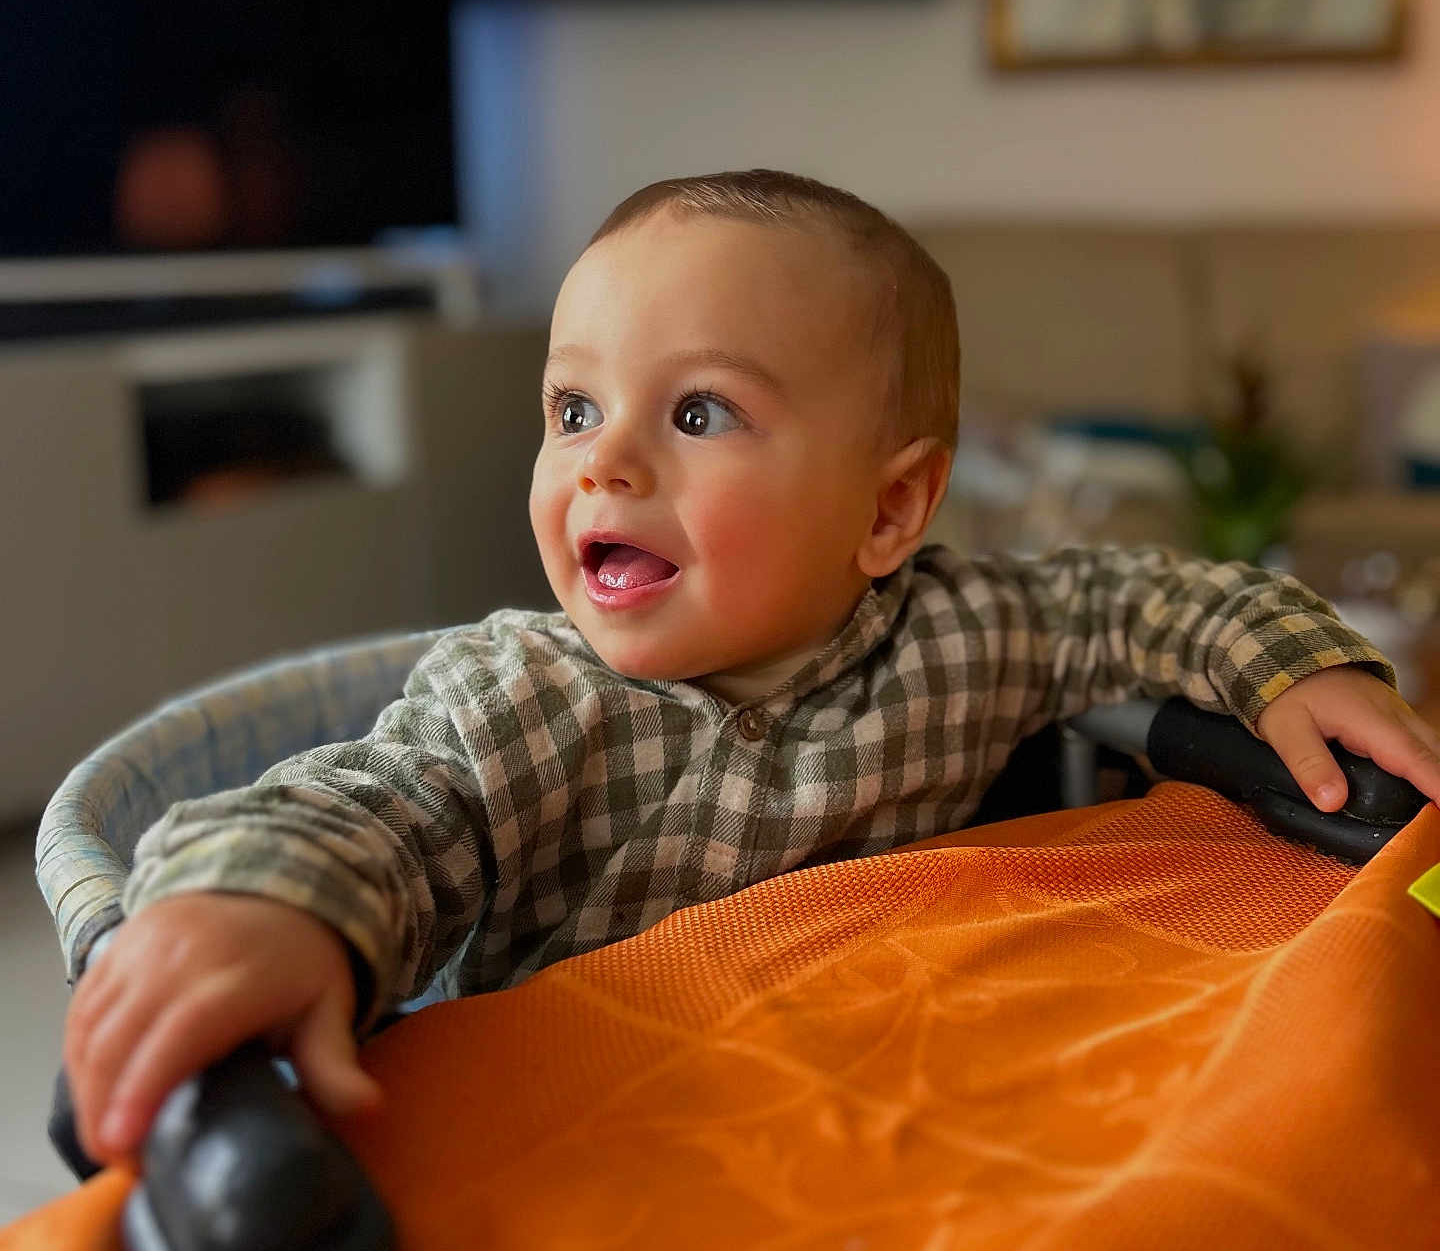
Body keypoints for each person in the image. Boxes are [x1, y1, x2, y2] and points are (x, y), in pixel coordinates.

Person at [63, 170, 1440, 1168]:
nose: (603, 460)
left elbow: (1147, 598)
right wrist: (272, 907)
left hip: (901, 1121)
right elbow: (379, 810)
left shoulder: (967, 634)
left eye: (700, 411)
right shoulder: (527, 702)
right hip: (622, 1147)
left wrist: (1293, 670)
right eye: (574, 407)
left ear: (890, 512)